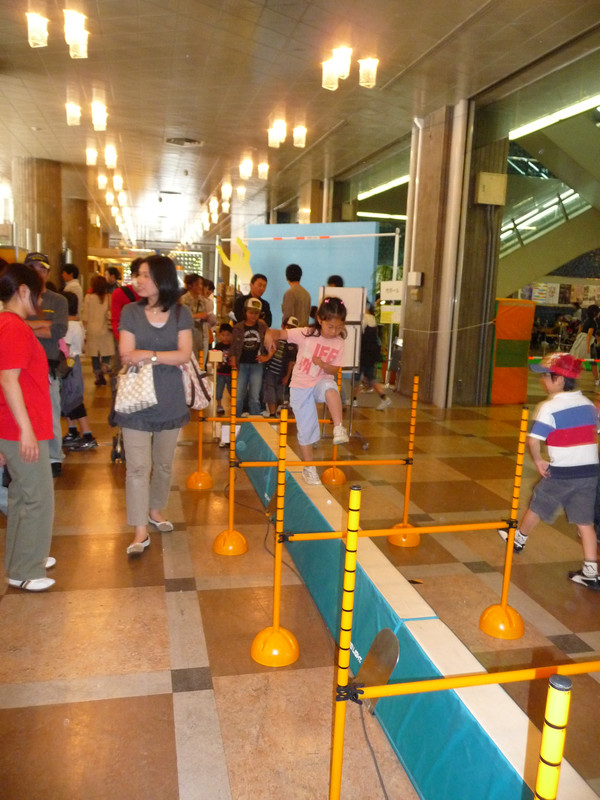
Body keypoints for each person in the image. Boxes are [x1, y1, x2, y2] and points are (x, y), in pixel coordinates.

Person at [498, 352, 600, 590]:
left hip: (562, 472)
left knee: (538, 504)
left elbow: (534, 440)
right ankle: (591, 572)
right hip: (589, 473)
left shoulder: (549, 407)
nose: (543, 380)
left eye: (546, 376)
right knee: (584, 522)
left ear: (560, 380)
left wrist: (538, 461)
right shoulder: (588, 405)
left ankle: (518, 540)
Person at [114, 254, 193, 556]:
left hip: (170, 399)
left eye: (146, 275)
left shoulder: (181, 313)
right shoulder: (130, 312)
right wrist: (162, 357)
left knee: (163, 464)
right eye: (138, 275)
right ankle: (139, 531)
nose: (139, 281)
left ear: (162, 279)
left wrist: (148, 355)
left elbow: (184, 354)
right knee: (137, 467)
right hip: (135, 399)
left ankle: (155, 510)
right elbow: (126, 354)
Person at [0, 263, 55, 591]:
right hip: (22, 426)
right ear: (23, 291)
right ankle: (26, 569)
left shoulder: (7, 324)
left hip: (14, 426)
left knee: (22, 495)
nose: (40, 299)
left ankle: (23, 558)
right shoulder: (14, 327)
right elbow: (8, 380)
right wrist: (26, 430)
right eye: (38, 293)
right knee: (38, 498)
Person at [265, 296, 349, 486]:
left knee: (330, 388)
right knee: (306, 428)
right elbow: (280, 333)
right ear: (319, 319)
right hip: (300, 386)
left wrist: (323, 364)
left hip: (320, 382)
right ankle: (309, 468)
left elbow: (335, 370)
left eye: (338, 328)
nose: (334, 331)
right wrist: (270, 334)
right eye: (330, 327)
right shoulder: (307, 333)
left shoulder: (339, 342)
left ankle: (338, 427)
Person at [24, 252, 68, 478]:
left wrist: (26, 327)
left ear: (48, 272)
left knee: (50, 411)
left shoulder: (57, 300)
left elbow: (58, 330)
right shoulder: (18, 297)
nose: (37, 273)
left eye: (42, 269)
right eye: (32, 268)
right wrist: (43, 325)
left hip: (47, 365)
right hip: (21, 365)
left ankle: (54, 456)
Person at [60, 291, 98, 451]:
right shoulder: (77, 323)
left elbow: (65, 348)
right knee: (67, 399)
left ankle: (88, 435)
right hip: (72, 364)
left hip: (69, 365)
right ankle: (72, 431)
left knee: (74, 400)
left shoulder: (70, 326)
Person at [230, 297, 269, 418]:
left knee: (255, 395)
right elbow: (233, 346)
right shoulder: (238, 327)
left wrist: (266, 357)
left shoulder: (263, 327)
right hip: (241, 364)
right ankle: (235, 419)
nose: (253, 315)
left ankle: (255, 421)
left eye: (256, 313)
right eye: (251, 312)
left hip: (257, 365)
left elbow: (271, 344)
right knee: (238, 394)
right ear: (245, 312)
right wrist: (233, 360)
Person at [352, 302, 391, 410]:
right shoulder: (373, 318)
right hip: (371, 354)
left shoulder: (363, 319)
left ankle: (353, 400)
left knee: (356, 377)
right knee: (371, 378)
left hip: (362, 353)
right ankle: (384, 397)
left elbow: (358, 336)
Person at [261, 316, 298, 418]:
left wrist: (287, 376)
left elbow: (291, 362)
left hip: (282, 373)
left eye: (293, 328)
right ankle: (272, 413)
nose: (290, 330)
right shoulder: (275, 338)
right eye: (288, 327)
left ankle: (275, 412)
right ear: (283, 326)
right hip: (270, 370)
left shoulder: (293, 344)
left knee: (279, 394)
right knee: (269, 391)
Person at [83, 274, 115, 385]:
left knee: (94, 356)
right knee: (106, 353)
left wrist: (85, 332)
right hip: (106, 330)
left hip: (92, 331)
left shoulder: (88, 298)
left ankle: (98, 375)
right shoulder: (109, 297)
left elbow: (85, 317)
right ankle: (104, 368)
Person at [570, 304, 599, 384]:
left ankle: (571, 377)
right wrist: (588, 346)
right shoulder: (592, 322)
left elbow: (580, 330)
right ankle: (597, 379)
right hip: (587, 342)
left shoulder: (587, 320)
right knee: (593, 362)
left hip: (581, 341)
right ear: (595, 313)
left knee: (577, 360)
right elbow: (589, 334)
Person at [180, 274, 207, 358]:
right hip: (187, 332)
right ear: (190, 285)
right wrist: (196, 316)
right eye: (197, 284)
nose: (200, 287)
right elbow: (180, 317)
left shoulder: (202, 300)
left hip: (200, 331)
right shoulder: (183, 299)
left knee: (200, 356)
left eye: (201, 284)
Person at [213, 323, 233, 416]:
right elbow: (213, 357)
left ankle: (234, 405)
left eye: (228, 335)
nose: (225, 337)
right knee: (219, 390)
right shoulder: (218, 346)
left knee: (232, 390)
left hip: (230, 373)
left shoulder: (233, 346)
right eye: (223, 335)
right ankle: (219, 405)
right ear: (220, 335)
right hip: (220, 373)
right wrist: (215, 365)